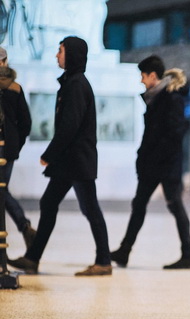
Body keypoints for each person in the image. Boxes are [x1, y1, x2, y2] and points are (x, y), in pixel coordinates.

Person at [8, 37, 112, 276]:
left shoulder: (76, 85)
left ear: (72, 55)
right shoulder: (72, 82)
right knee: (50, 203)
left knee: (90, 208)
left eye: (61, 51)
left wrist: (49, 154)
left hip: (76, 160)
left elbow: (70, 126)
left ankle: (104, 261)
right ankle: (33, 258)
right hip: (71, 161)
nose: (57, 55)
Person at [110, 55, 190, 269]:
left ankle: (188, 255)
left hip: (164, 165)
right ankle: (124, 251)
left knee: (175, 206)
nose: (141, 80)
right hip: (154, 164)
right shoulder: (156, 98)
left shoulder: (171, 98)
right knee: (139, 205)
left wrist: (155, 157)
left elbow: (175, 133)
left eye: (143, 76)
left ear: (153, 76)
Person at [0, 47, 37, 248]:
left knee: (1, 191)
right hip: (9, 149)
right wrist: (15, 145)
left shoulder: (15, 88)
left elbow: (25, 123)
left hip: (7, 148)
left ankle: (24, 226)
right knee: (2, 190)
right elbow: (26, 124)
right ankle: (25, 228)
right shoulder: (15, 87)